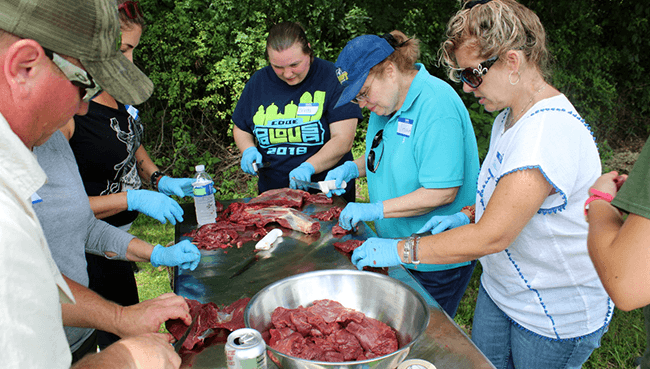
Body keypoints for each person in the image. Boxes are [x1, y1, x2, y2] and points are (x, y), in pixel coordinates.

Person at [350, 1, 612, 368]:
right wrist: (468, 214)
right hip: (503, 290)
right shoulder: (509, 117)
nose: (468, 88)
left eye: (473, 74)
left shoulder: (546, 133)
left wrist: (400, 251)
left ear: (512, 62)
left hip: (550, 309)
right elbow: (507, 202)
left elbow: (493, 236)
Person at [0, 0, 182, 367]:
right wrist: (126, 360)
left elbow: (42, 283)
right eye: (85, 86)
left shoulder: (35, 146)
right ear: (23, 67)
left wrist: (120, 318)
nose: (85, 108)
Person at [59, 0, 196, 350]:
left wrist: (157, 179)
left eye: (133, 50)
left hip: (117, 241)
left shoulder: (118, 94)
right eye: (123, 50)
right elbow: (65, 214)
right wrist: (132, 198)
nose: (129, 61)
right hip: (84, 259)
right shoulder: (65, 115)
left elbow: (130, 143)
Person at [325, 31, 480, 318]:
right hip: (392, 247)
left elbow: (442, 191)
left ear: (389, 70)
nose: (362, 103)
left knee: (424, 341)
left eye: (363, 92)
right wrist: (352, 169)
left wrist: (375, 209)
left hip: (434, 258)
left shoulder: (436, 105)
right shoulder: (384, 104)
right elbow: (385, 153)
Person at [33, 129, 200, 362]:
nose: (83, 108)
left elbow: (85, 226)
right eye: (81, 91)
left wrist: (157, 253)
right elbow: (25, 283)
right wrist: (120, 319)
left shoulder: (54, 142)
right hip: (32, 349)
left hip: (80, 333)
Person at [232, 21, 362, 203]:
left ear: (308, 50)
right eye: (277, 67)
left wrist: (309, 167)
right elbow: (241, 127)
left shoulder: (333, 78)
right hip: (273, 195)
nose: (287, 74)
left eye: (295, 64)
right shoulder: (258, 82)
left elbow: (343, 140)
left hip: (327, 194)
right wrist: (248, 149)